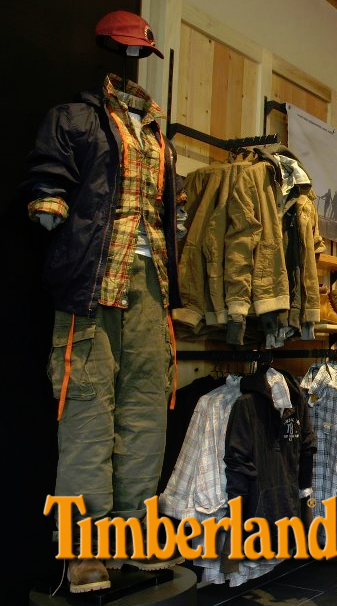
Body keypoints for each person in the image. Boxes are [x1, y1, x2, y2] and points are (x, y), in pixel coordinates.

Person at [21, 11, 183, 593]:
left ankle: (134, 537)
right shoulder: (77, 117)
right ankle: (83, 550)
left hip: (150, 285)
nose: (132, 59)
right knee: (88, 412)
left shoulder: (160, 137)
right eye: (127, 49)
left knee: (145, 411)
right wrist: (48, 199)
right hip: (93, 280)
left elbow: (169, 210)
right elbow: (50, 173)